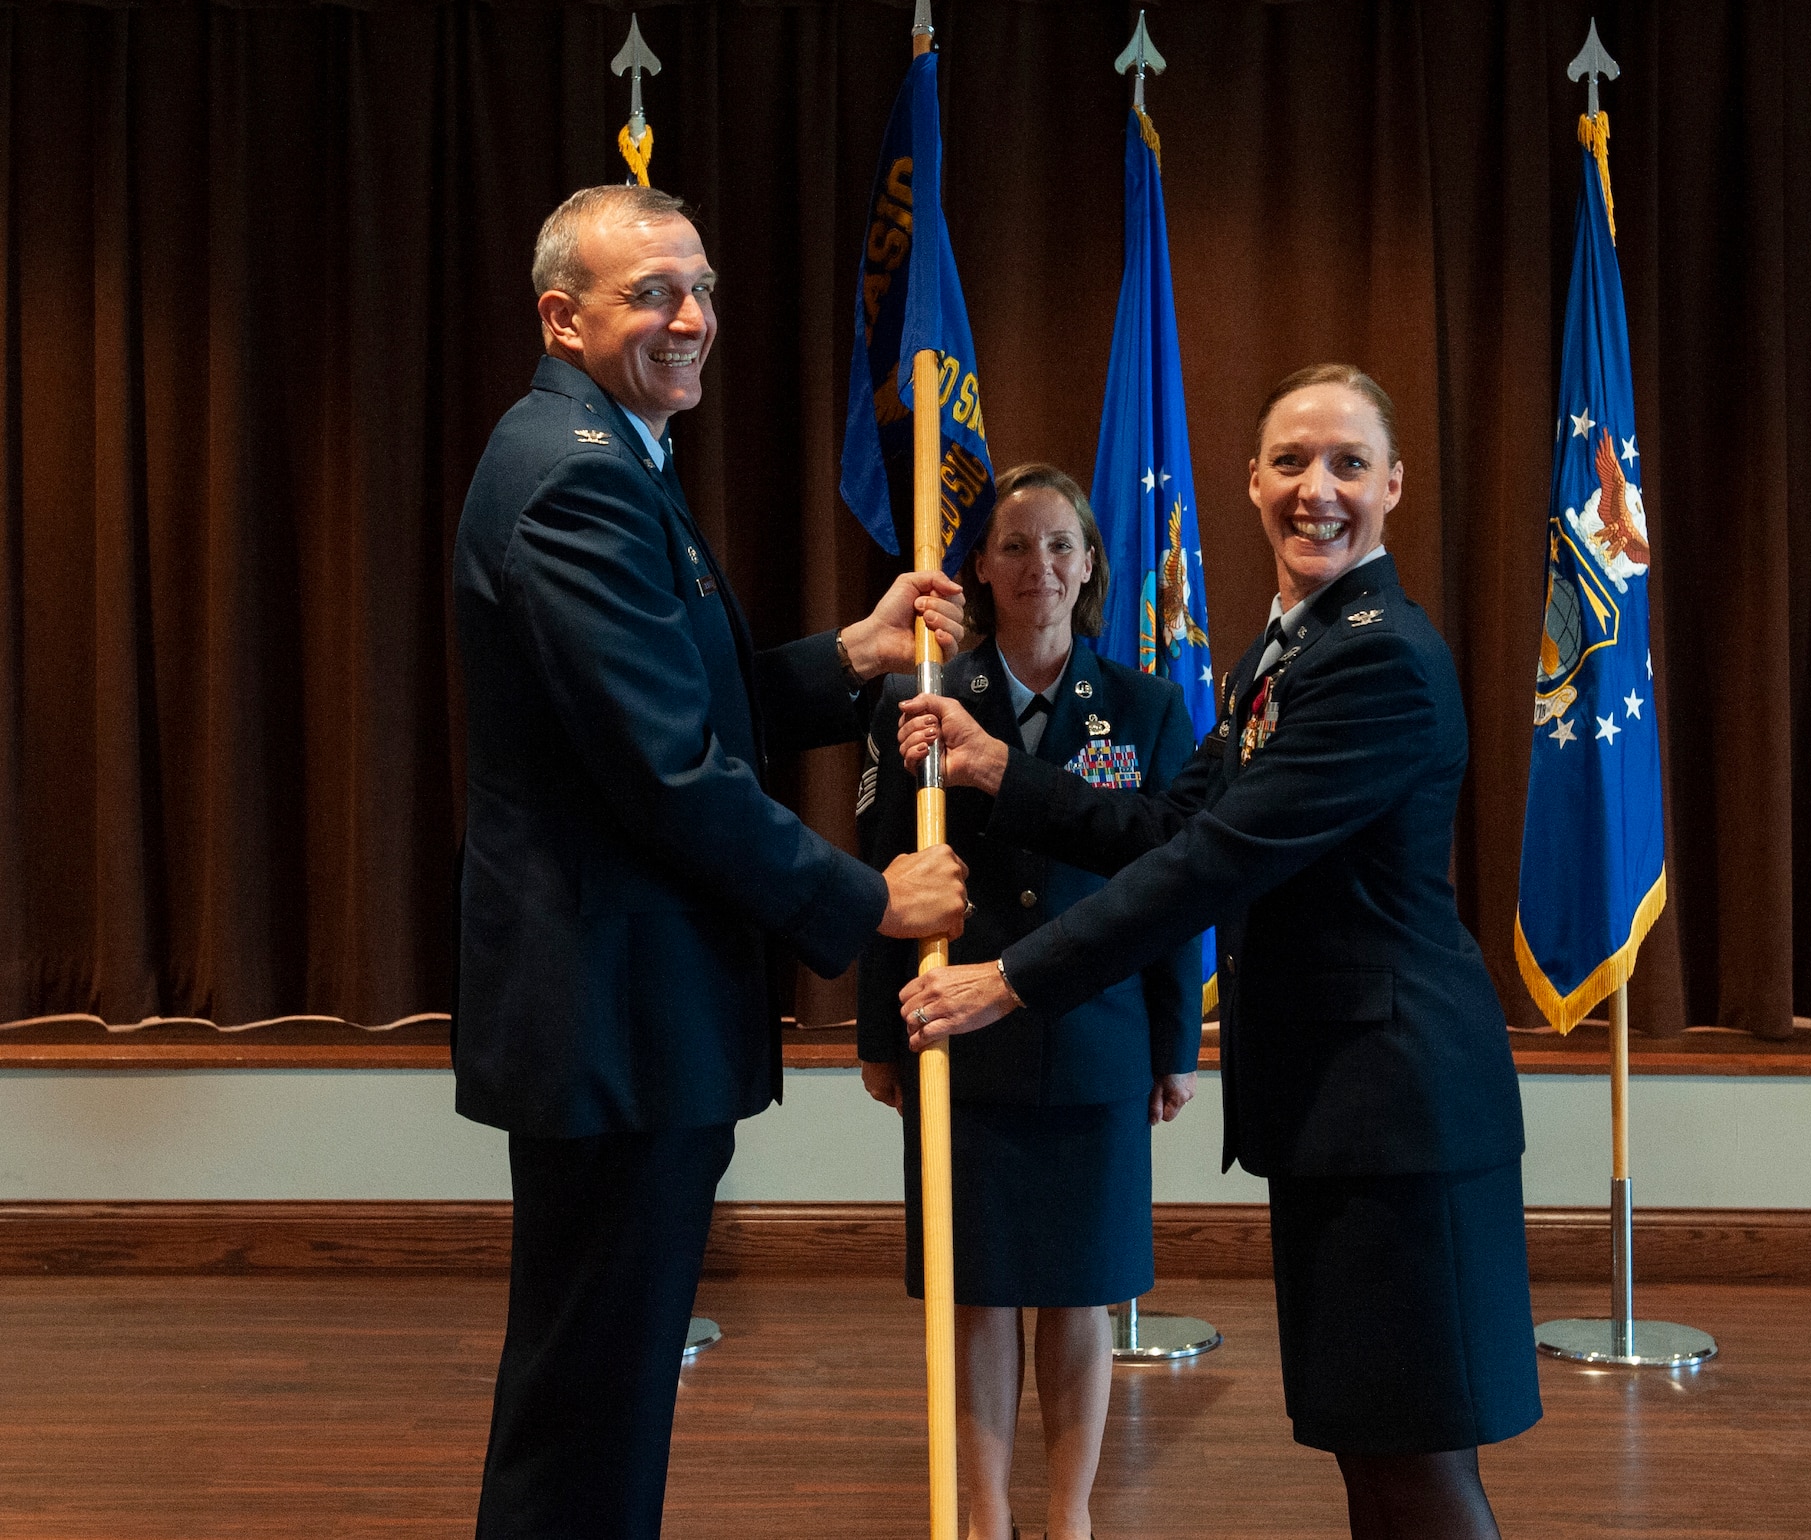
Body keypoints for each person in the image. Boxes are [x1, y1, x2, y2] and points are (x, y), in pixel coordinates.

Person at [895, 365, 1541, 1540]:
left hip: (1398, 1118)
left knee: (1414, 1463)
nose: (1316, 490)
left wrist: (1010, 977)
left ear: (1393, 484)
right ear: (1247, 481)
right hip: (1339, 1113)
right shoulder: (1280, 653)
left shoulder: (1376, 657)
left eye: (1347, 462)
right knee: (1371, 1449)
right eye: (1290, 461)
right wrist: (999, 770)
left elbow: (1212, 864)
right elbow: (1156, 824)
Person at [452, 183, 969, 1540]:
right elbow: (663, 770)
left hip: (627, 1015)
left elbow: (685, 697)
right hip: (612, 1018)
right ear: (563, 318)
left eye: (700, 287)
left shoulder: (602, 449)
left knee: (600, 1397)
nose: (693, 320)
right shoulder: (573, 475)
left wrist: (848, 657)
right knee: (592, 1410)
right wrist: (867, 901)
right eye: (653, 294)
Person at [855, 464, 1203, 1540]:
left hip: (1095, 1038)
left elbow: (1172, 886)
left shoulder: (1145, 707)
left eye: (1059, 545)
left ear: (1090, 563)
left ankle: (1067, 1517)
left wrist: (1173, 1041)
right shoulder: (922, 697)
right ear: (978, 567)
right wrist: (881, 1036)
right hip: (960, 1043)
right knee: (981, 1290)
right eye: (1012, 545)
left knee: (1082, 1292)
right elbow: (882, 879)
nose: (1037, 566)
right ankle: (987, 1516)